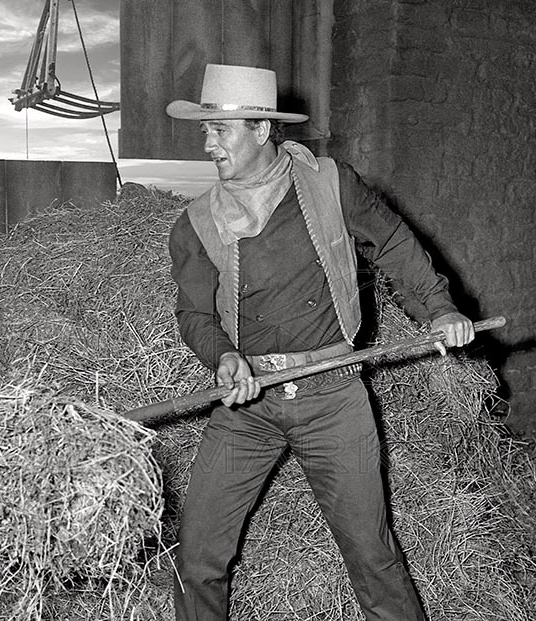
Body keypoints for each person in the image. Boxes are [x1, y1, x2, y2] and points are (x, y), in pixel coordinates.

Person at [165, 63, 474, 621]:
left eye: (221, 130)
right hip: (250, 405)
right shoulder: (195, 224)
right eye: (206, 131)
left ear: (262, 130)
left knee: (372, 555)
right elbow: (194, 315)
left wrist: (441, 310)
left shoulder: (330, 183)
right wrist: (224, 356)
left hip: (332, 396)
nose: (209, 144)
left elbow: (395, 244)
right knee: (198, 557)